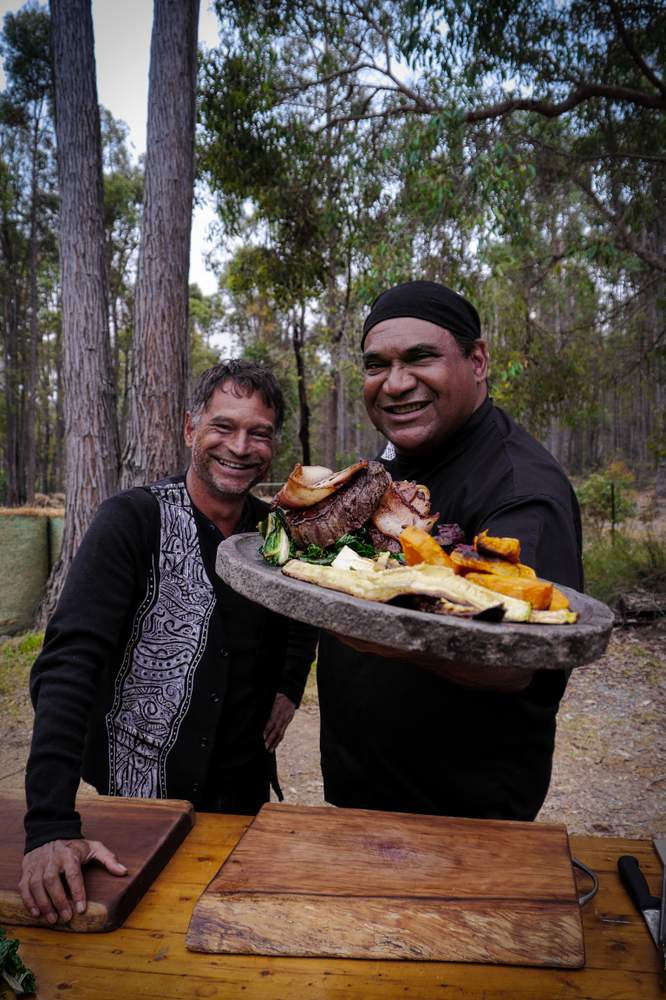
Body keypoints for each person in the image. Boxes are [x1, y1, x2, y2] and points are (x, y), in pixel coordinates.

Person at [20, 360, 316, 925]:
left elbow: (303, 612)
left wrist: (289, 685)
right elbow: (68, 664)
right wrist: (51, 826)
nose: (240, 446)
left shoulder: (277, 533)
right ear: (189, 430)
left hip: (241, 793)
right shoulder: (133, 521)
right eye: (223, 427)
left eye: (258, 433)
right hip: (139, 795)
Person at [317, 280, 583, 823]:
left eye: (421, 358)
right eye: (376, 366)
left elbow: (513, 660)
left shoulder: (519, 489)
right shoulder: (397, 461)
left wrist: (366, 628)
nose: (395, 384)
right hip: (360, 796)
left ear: (477, 360)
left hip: (462, 817)